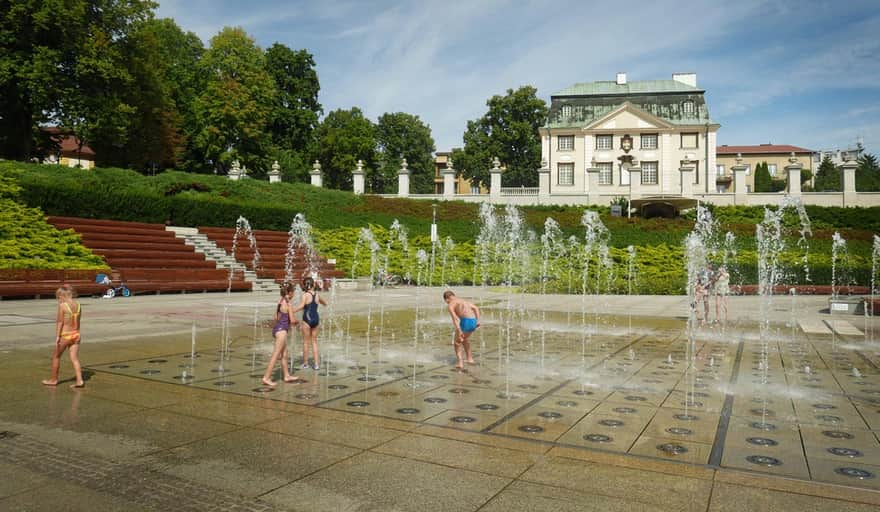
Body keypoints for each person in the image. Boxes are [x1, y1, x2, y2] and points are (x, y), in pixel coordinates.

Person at [42, 284, 84, 388]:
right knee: (74, 358)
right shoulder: (78, 305)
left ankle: (53, 380)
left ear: (62, 296)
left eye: (58, 297)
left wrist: (57, 336)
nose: (58, 299)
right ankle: (80, 380)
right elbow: (78, 321)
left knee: (56, 357)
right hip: (76, 334)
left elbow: (60, 322)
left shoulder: (62, 306)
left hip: (65, 335)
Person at [261, 283, 301, 386]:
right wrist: (298, 323)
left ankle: (287, 376)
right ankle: (266, 377)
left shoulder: (280, 302)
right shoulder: (288, 304)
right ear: (290, 293)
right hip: (282, 331)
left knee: (284, 354)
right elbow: (292, 321)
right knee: (276, 355)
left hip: (277, 330)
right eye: (293, 292)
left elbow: (276, 317)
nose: (294, 294)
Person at [292, 277, 327, 370]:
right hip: (316, 319)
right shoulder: (317, 295)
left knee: (306, 342)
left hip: (307, 320)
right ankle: (316, 364)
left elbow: (301, 306)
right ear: (313, 284)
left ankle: (306, 364)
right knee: (314, 342)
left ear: (304, 285)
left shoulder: (305, 295)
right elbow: (324, 302)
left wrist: (292, 310)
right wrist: (325, 304)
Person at [443, 290, 481, 369]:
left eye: (446, 301)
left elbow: (455, 319)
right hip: (473, 320)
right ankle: (470, 359)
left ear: (447, 299)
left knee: (457, 342)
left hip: (465, 321)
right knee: (464, 339)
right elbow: (475, 308)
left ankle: (460, 363)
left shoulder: (451, 304)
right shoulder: (463, 300)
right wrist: (478, 320)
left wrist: (459, 330)